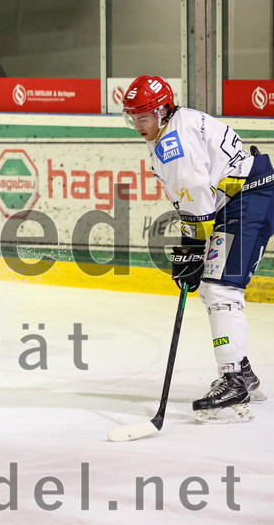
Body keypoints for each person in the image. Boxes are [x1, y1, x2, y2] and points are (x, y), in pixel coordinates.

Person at [122, 75, 268, 423]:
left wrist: (190, 250)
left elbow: (199, 203)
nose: (138, 125)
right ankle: (242, 370)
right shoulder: (174, 126)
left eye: (143, 117)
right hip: (243, 198)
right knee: (213, 287)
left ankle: (234, 381)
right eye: (133, 118)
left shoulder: (173, 142)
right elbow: (197, 200)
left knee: (220, 287)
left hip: (248, 200)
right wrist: (191, 251)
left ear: (161, 110)